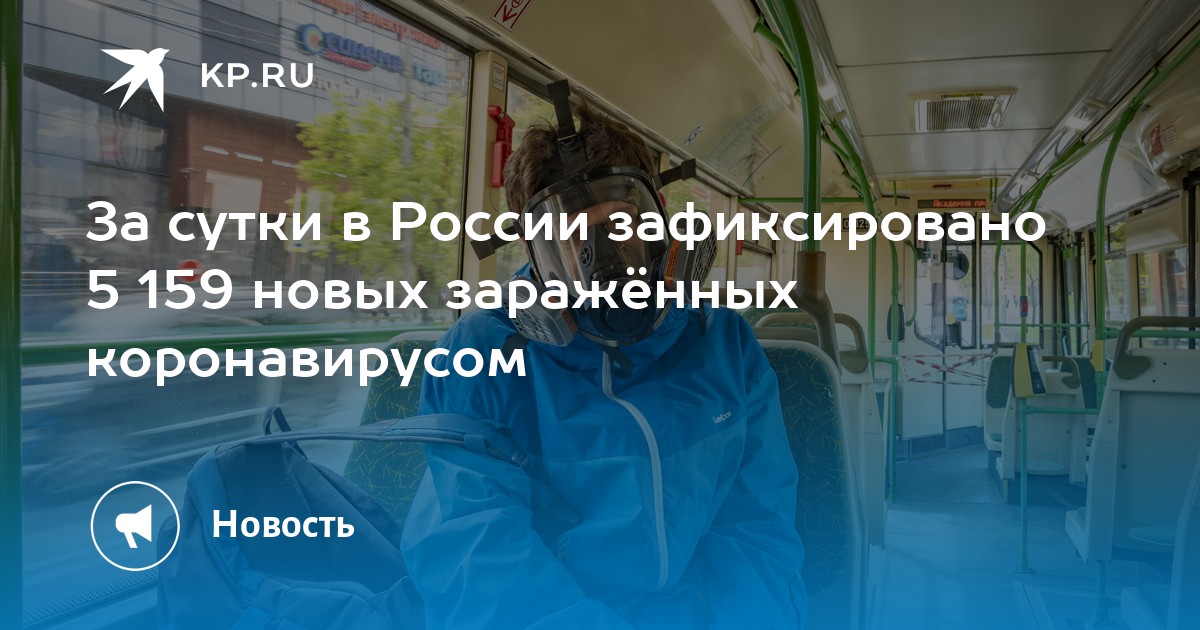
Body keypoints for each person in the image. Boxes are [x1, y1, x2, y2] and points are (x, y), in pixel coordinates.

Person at [400, 83, 807, 628]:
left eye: (619, 224)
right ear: (536, 254)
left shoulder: (724, 343)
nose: (606, 261)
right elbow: (478, 547)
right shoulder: (482, 353)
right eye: (569, 238)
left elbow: (757, 526)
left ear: (660, 217)